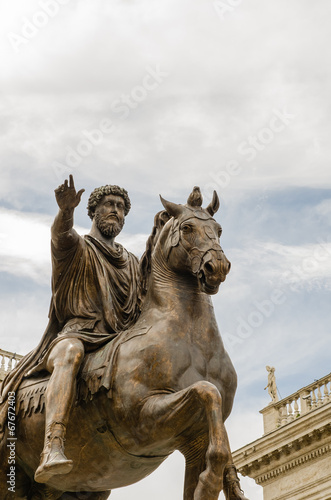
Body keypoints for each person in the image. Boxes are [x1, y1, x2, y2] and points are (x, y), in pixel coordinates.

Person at [0, 175, 141, 483]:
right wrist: (65, 212)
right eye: (109, 205)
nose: (116, 211)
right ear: (93, 211)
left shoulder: (131, 262)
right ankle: (52, 444)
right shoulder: (76, 246)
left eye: (121, 208)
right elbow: (60, 235)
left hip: (115, 341)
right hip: (76, 333)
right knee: (70, 354)